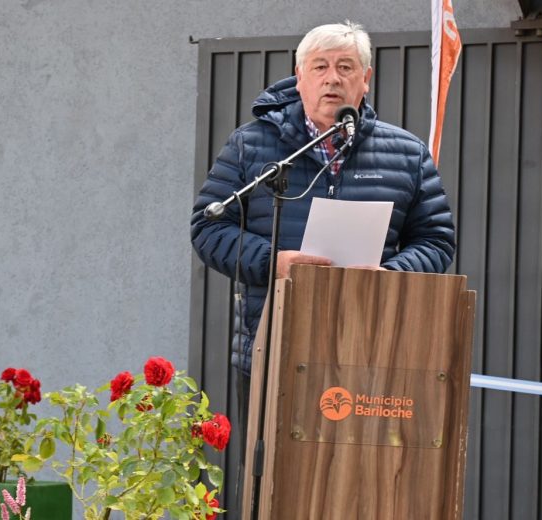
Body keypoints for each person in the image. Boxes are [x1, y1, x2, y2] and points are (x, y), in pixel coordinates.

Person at [190, 20, 455, 507]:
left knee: (364, 481)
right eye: (321, 67)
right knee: (277, 482)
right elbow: (208, 227)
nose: (332, 78)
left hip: (375, 345)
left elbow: (437, 241)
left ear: (365, 79)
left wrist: (391, 277)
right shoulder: (252, 147)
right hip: (272, 343)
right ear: (299, 76)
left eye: (345, 67)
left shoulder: (407, 153)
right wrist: (276, 261)